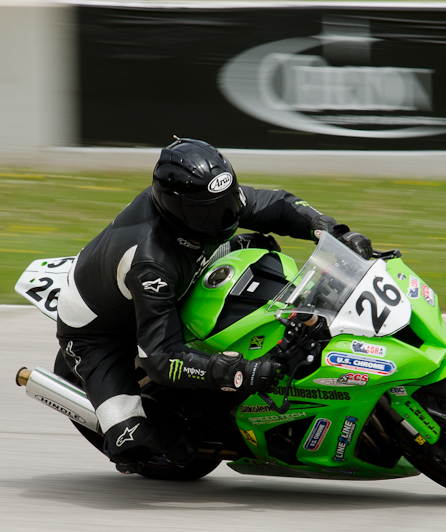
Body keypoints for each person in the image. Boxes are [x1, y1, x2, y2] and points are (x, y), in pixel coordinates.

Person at [54, 137, 372, 473]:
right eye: (206, 211)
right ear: (175, 208)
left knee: (262, 246)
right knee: (134, 443)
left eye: (227, 202)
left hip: (184, 271)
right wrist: (233, 371)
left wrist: (330, 230)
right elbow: (161, 359)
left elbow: (277, 205)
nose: (223, 216)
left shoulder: (210, 197)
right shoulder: (150, 262)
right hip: (100, 334)